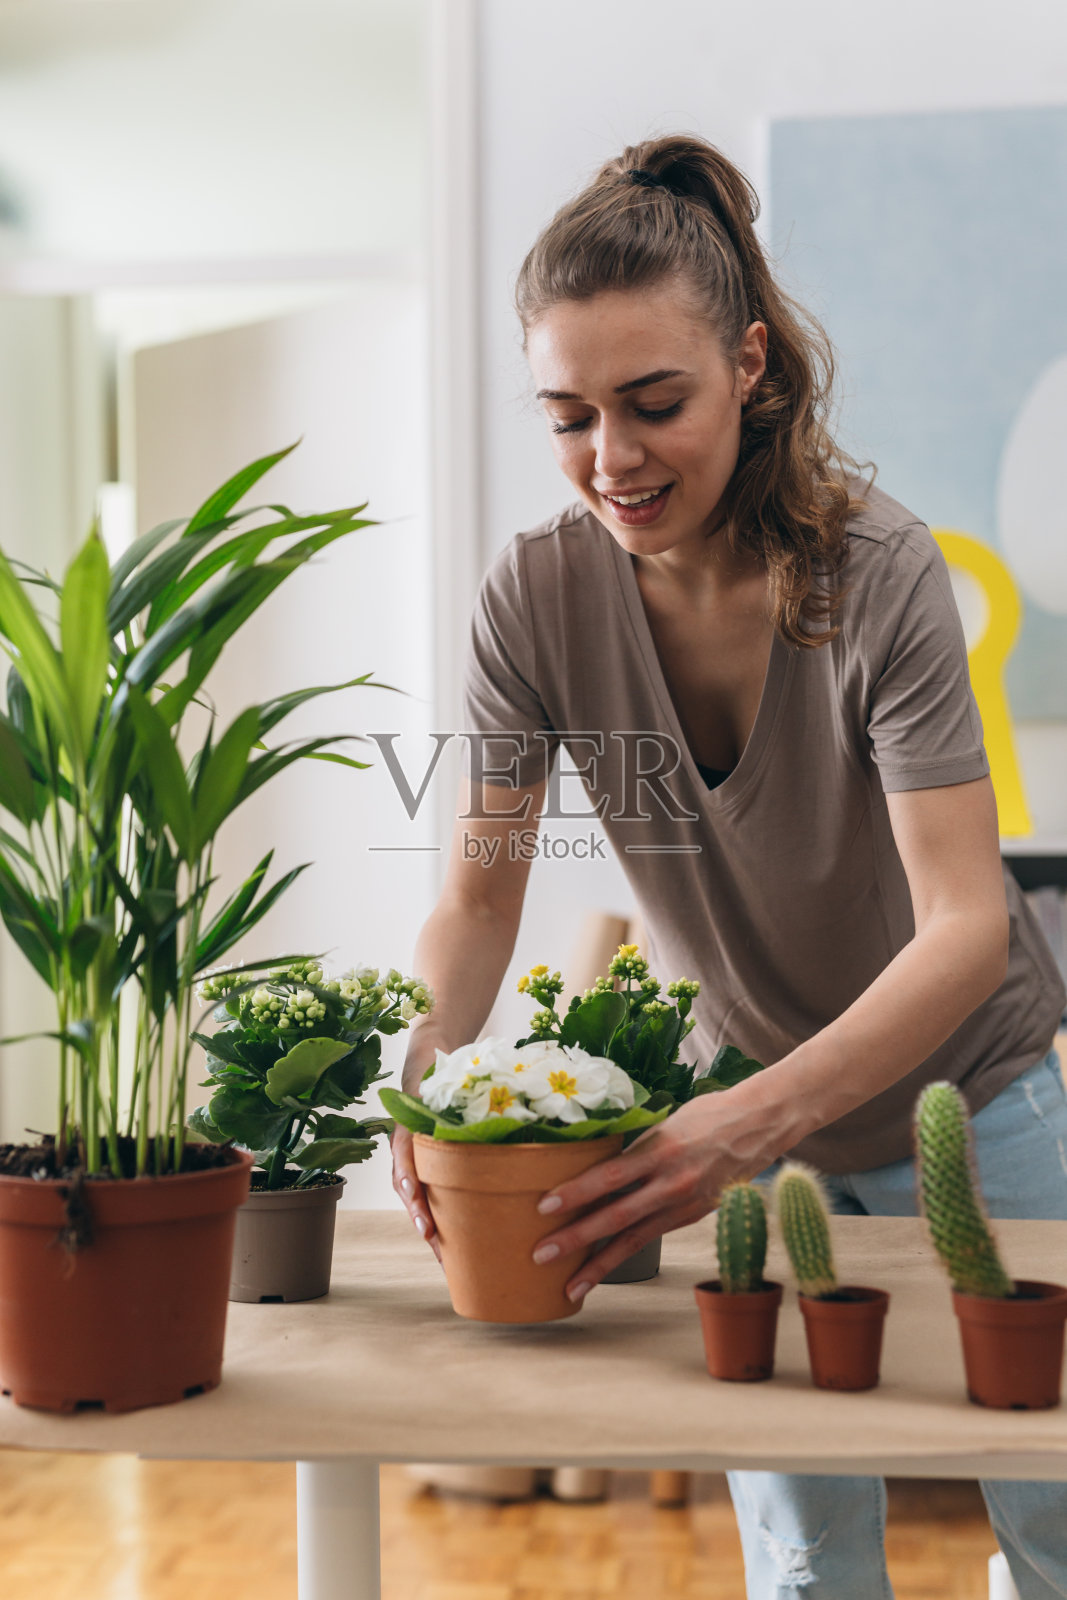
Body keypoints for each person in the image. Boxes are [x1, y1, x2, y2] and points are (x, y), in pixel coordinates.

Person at [391, 133, 1067, 1598]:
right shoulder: (535, 596)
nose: (611, 462)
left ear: (750, 367)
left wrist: (739, 1126)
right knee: (808, 1557)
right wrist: (421, 1060)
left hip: (981, 1101)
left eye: (653, 406)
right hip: (753, 1135)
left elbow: (964, 927)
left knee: (1057, 1524)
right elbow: (477, 895)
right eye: (568, 417)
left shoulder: (878, 573)